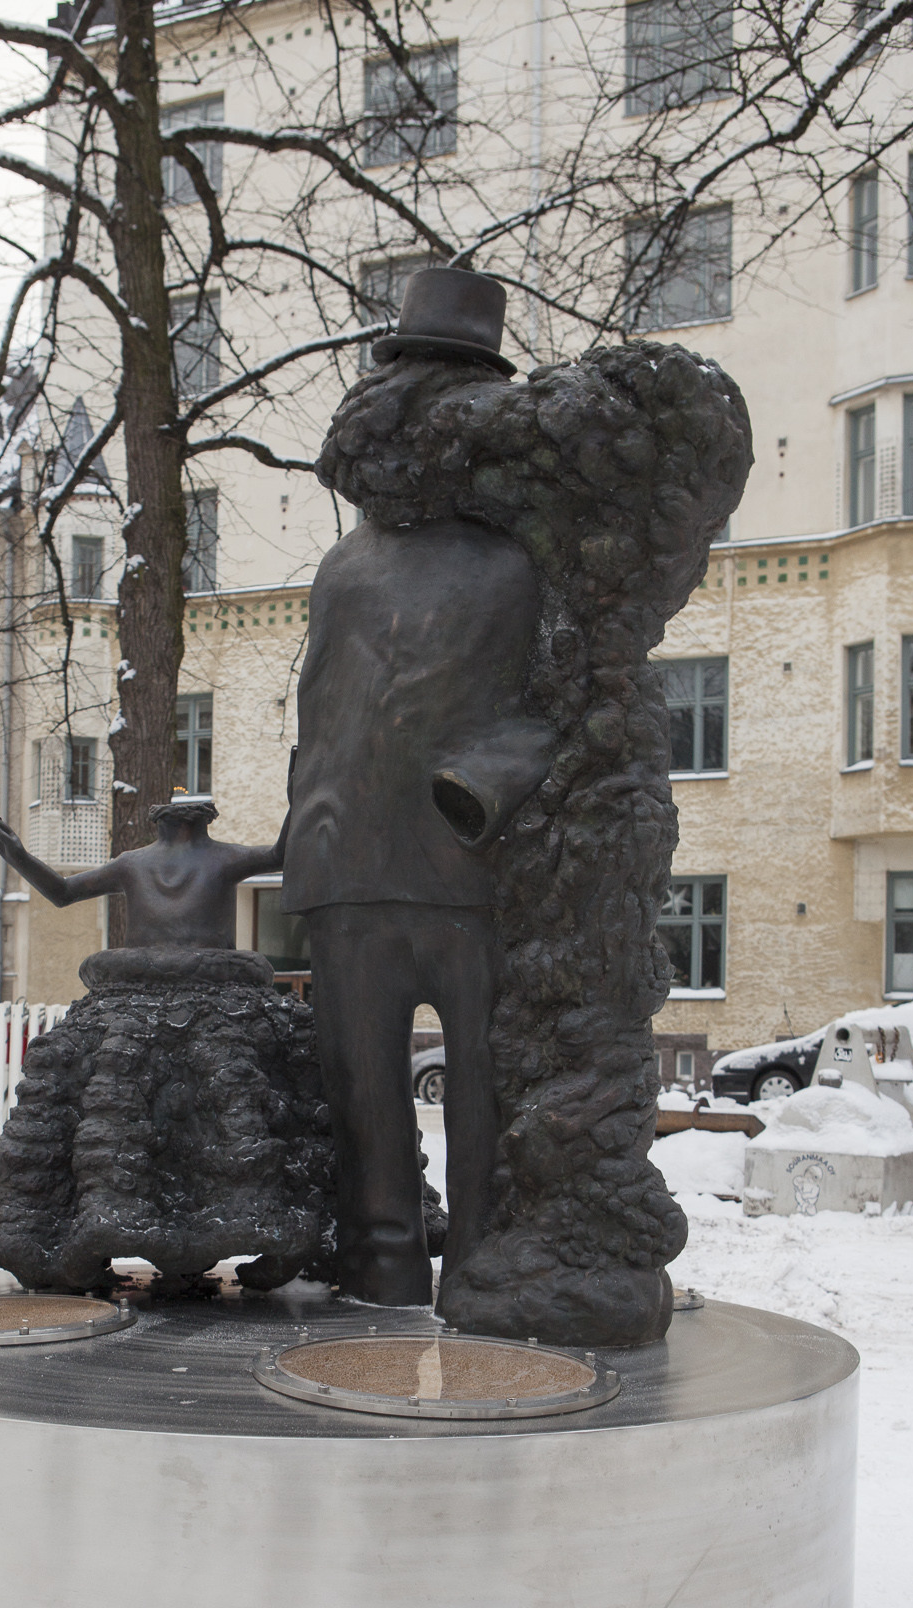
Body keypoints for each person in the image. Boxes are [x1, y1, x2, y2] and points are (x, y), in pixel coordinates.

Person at [282, 269, 553, 1308]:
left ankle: (480, 1259)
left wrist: (486, 783)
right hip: (345, 864)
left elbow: (576, 701)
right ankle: (380, 1257)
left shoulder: (522, 564)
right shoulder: (342, 565)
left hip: (468, 866)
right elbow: (320, 704)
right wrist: (304, 832)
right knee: (360, 1086)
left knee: (484, 1083)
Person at [0, 793, 288, 948]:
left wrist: (20, 858)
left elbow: (63, 892)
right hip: (154, 974)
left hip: (190, 974)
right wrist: (19, 857)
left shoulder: (223, 858)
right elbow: (281, 855)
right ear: (207, 819)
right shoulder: (134, 864)